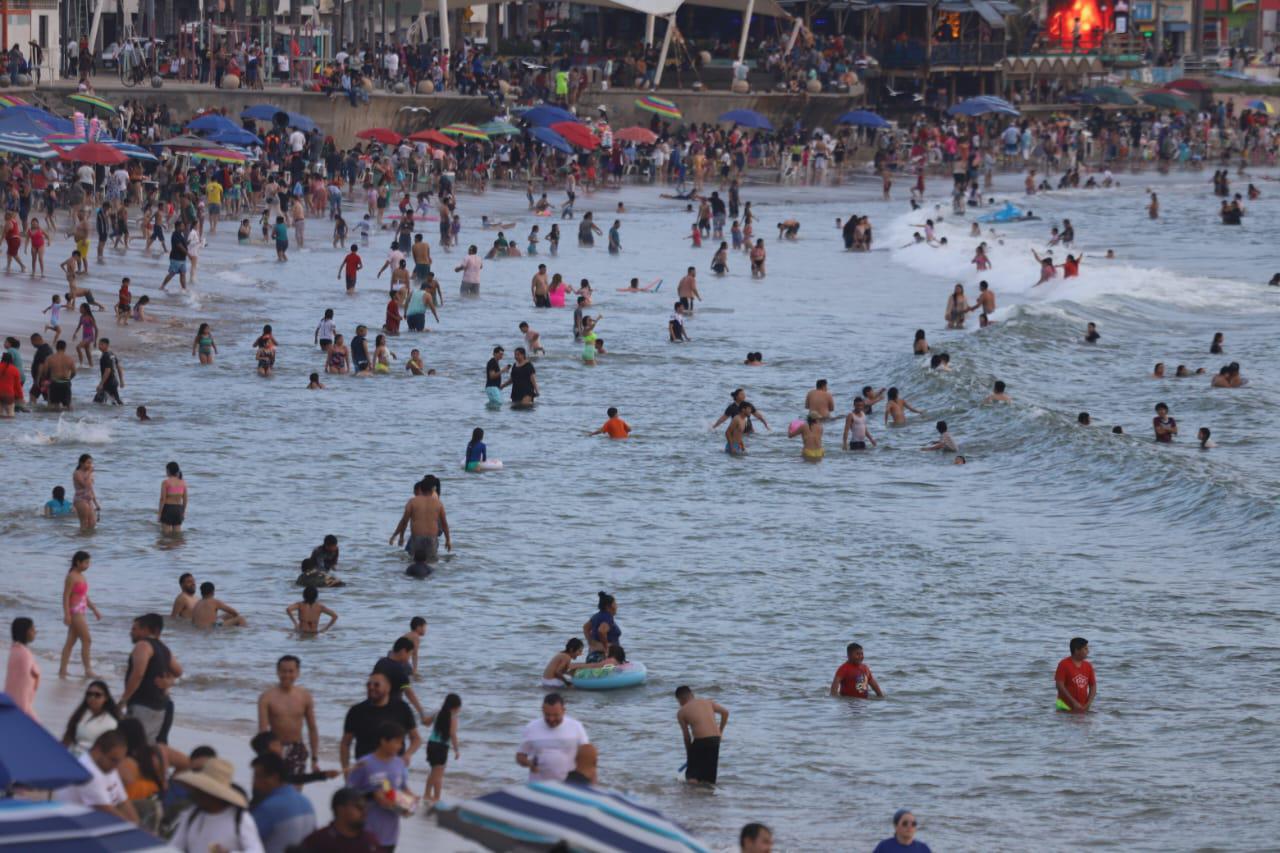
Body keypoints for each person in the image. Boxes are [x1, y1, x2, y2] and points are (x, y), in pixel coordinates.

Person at [169, 758, 265, 852]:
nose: (196, 793)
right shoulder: (192, 815)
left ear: (213, 794)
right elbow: (175, 848)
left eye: (201, 790)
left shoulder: (240, 818)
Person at [346, 722, 413, 852]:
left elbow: (404, 788)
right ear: (383, 741)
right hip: (365, 832)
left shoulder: (399, 764)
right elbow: (347, 795)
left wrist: (410, 804)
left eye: (401, 743)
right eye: (397, 742)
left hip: (390, 835)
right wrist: (372, 795)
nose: (400, 747)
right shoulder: (364, 764)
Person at [258, 654, 323, 785]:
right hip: (275, 749)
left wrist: (314, 759)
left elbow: (312, 729)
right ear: (277, 672)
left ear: (297, 673)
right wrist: (265, 756)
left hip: (297, 749)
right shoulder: (267, 698)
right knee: (276, 790)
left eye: (291, 671)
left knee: (295, 791)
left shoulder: (305, 696)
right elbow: (263, 732)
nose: (287, 675)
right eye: (283, 671)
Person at [340, 672, 420, 775]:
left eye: (376, 685)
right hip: (365, 770)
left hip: (394, 770)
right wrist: (346, 773)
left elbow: (416, 738)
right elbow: (345, 743)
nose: (371, 687)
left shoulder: (402, 708)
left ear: (388, 688)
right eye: (368, 684)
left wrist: (407, 755)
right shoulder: (356, 711)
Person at [54, 730, 139, 824]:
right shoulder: (87, 773)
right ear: (97, 751)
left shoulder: (108, 766)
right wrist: (138, 831)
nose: (116, 766)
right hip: (74, 823)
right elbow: (108, 812)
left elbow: (123, 801)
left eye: (119, 761)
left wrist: (137, 824)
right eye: (113, 760)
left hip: (95, 819)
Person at [121, 613, 181, 744]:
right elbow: (178, 671)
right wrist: (169, 681)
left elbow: (138, 674)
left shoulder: (143, 645)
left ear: (146, 630)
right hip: (161, 705)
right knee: (153, 747)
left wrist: (123, 700)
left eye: (135, 629)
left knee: (135, 745)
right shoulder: (164, 649)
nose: (131, 632)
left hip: (144, 704)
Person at [250, 751, 317, 853]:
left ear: (275, 777)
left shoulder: (269, 808)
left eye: (258, 776)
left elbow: (246, 842)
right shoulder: (306, 803)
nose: (254, 783)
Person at [516, 693, 590, 782]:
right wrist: (529, 764)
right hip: (539, 785)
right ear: (542, 710)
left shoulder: (576, 727)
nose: (551, 719)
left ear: (563, 710)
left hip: (568, 785)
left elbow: (587, 756)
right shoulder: (531, 727)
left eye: (556, 715)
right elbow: (520, 756)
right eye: (547, 715)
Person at [298, 787, 381, 852]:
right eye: (359, 807)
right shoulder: (318, 842)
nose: (364, 812)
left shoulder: (370, 841)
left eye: (365, 807)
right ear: (341, 809)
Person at [59, 550, 100, 678]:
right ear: (78, 562)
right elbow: (65, 596)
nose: (88, 565)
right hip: (75, 612)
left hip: (81, 611)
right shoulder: (71, 576)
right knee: (87, 640)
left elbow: (84, 597)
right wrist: (67, 614)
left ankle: (62, 670)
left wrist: (94, 609)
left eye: (89, 562)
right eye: (86, 562)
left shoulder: (82, 576)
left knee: (70, 642)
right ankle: (88, 670)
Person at [675, 685, 729, 784]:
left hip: (701, 740)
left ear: (680, 699)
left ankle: (692, 796)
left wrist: (689, 755)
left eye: (678, 702)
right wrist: (720, 732)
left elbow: (687, 737)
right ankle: (707, 797)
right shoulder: (707, 702)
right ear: (692, 694)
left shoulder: (681, 712)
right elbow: (725, 712)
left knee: (692, 776)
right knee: (709, 778)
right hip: (715, 739)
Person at [390, 477, 451, 561]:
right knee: (431, 564)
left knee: (413, 562)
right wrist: (448, 540)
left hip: (417, 538)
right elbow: (444, 524)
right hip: (432, 538)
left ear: (420, 489)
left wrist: (399, 536)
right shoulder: (438, 503)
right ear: (432, 490)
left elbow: (404, 521)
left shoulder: (412, 502)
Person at [62, 680, 122, 754]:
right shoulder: (80, 716)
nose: (92, 697)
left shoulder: (111, 723)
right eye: (89, 694)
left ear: (106, 698)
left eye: (97, 695)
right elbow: (66, 740)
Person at [422, 693, 462, 803]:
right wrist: (456, 750)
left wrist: (422, 714)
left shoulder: (437, 712)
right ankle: (436, 798)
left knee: (433, 772)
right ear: (456, 707)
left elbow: (426, 723)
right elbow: (452, 734)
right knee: (438, 775)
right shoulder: (453, 718)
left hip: (431, 744)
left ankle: (427, 795)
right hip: (441, 747)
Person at [6, 617, 39, 717]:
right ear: (27, 632)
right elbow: (23, 685)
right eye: (33, 629)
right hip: (21, 706)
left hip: (15, 704)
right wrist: (24, 711)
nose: (35, 632)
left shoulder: (15, 650)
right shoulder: (24, 654)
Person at [1055, 637, 1097, 713]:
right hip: (1063, 706)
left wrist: (1088, 703)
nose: (1088, 651)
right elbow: (1059, 686)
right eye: (1085, 649)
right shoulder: (1063, 664)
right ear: (1077, 650)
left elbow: (1093, 686)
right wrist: (1073, 702)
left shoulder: (1088, 666)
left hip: (1082, 705)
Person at [158, 461, 187, 534]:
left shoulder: (165, 482)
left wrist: (159, 514)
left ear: (168, 471)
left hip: (168, 509)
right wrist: (183, 512)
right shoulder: (183, 483)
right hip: (178, 509)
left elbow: (162, 499)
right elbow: (185, 499)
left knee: (165, 535)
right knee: (177, 535)